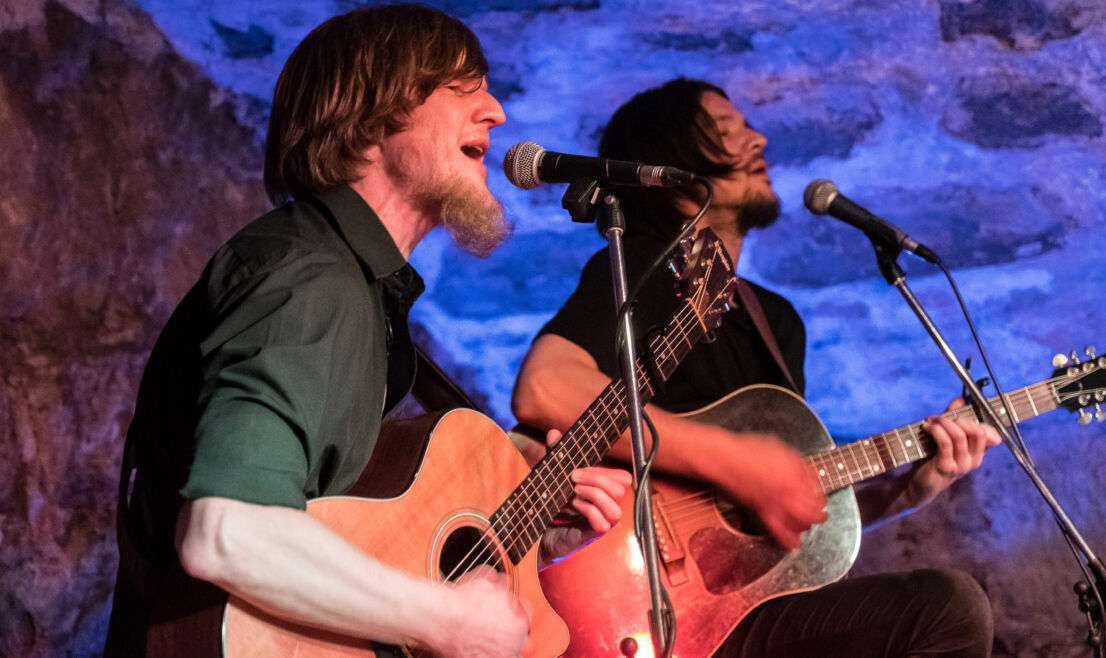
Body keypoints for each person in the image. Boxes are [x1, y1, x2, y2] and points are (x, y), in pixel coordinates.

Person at [103, 6, 631, 657]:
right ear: (370, 118)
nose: (496, 112)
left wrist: (522, 526)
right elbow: (225, 529)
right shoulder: (313, 280)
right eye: (463, 89)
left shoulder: (351, 286)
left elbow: (347, 524)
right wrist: (445, 620)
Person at [511, 78, 1001, 657]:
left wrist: (910, 490)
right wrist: (735, 463)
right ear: (669, 170)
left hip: (734, 614)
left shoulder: (776, 321)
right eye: (725, 132)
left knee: (940, 611)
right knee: (948, 608)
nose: (759, 140)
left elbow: (776, 529)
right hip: (634, 605)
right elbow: (545, 388)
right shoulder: (643, 271)